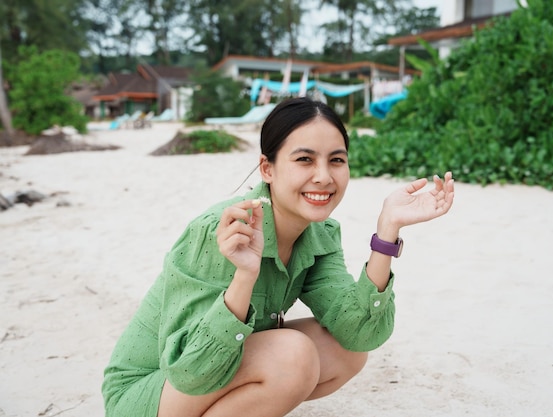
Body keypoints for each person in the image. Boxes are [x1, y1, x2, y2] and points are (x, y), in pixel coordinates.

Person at [102, 97, 455, 417]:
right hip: (150, 393)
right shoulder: (221, 230)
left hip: (209, 373)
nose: (323, 177)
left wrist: (387, 233)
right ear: (267, 169)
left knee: (344, 351)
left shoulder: (320, 234)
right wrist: (244, 275)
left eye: (336, 160)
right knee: (292, 356)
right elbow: (189, 372)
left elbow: (358, 333)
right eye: (304, 159)